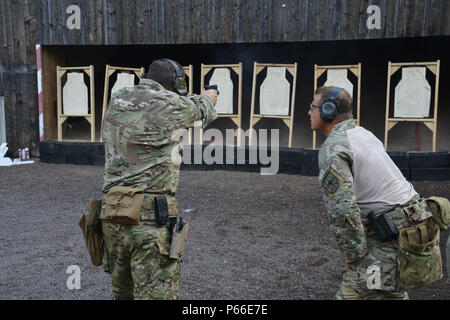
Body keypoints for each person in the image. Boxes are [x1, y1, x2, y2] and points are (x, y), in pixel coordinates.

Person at [100, 58, 218, 300]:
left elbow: (162, 103)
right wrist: (208, 95)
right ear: (174, 85)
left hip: (112, 218)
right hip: (149, 224)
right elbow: (204, 109)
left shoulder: (118, 98)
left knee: (122, 294)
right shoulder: (172, 104)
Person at [308, 86, 422, 300]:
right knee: (389, 293)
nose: (309, 112)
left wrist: (354, 254)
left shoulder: (334, 148)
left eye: (313, 107)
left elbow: (343, 210)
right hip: (411, 227)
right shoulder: (363, 134)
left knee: (355, 292)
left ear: (328, 111)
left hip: (389, 235)